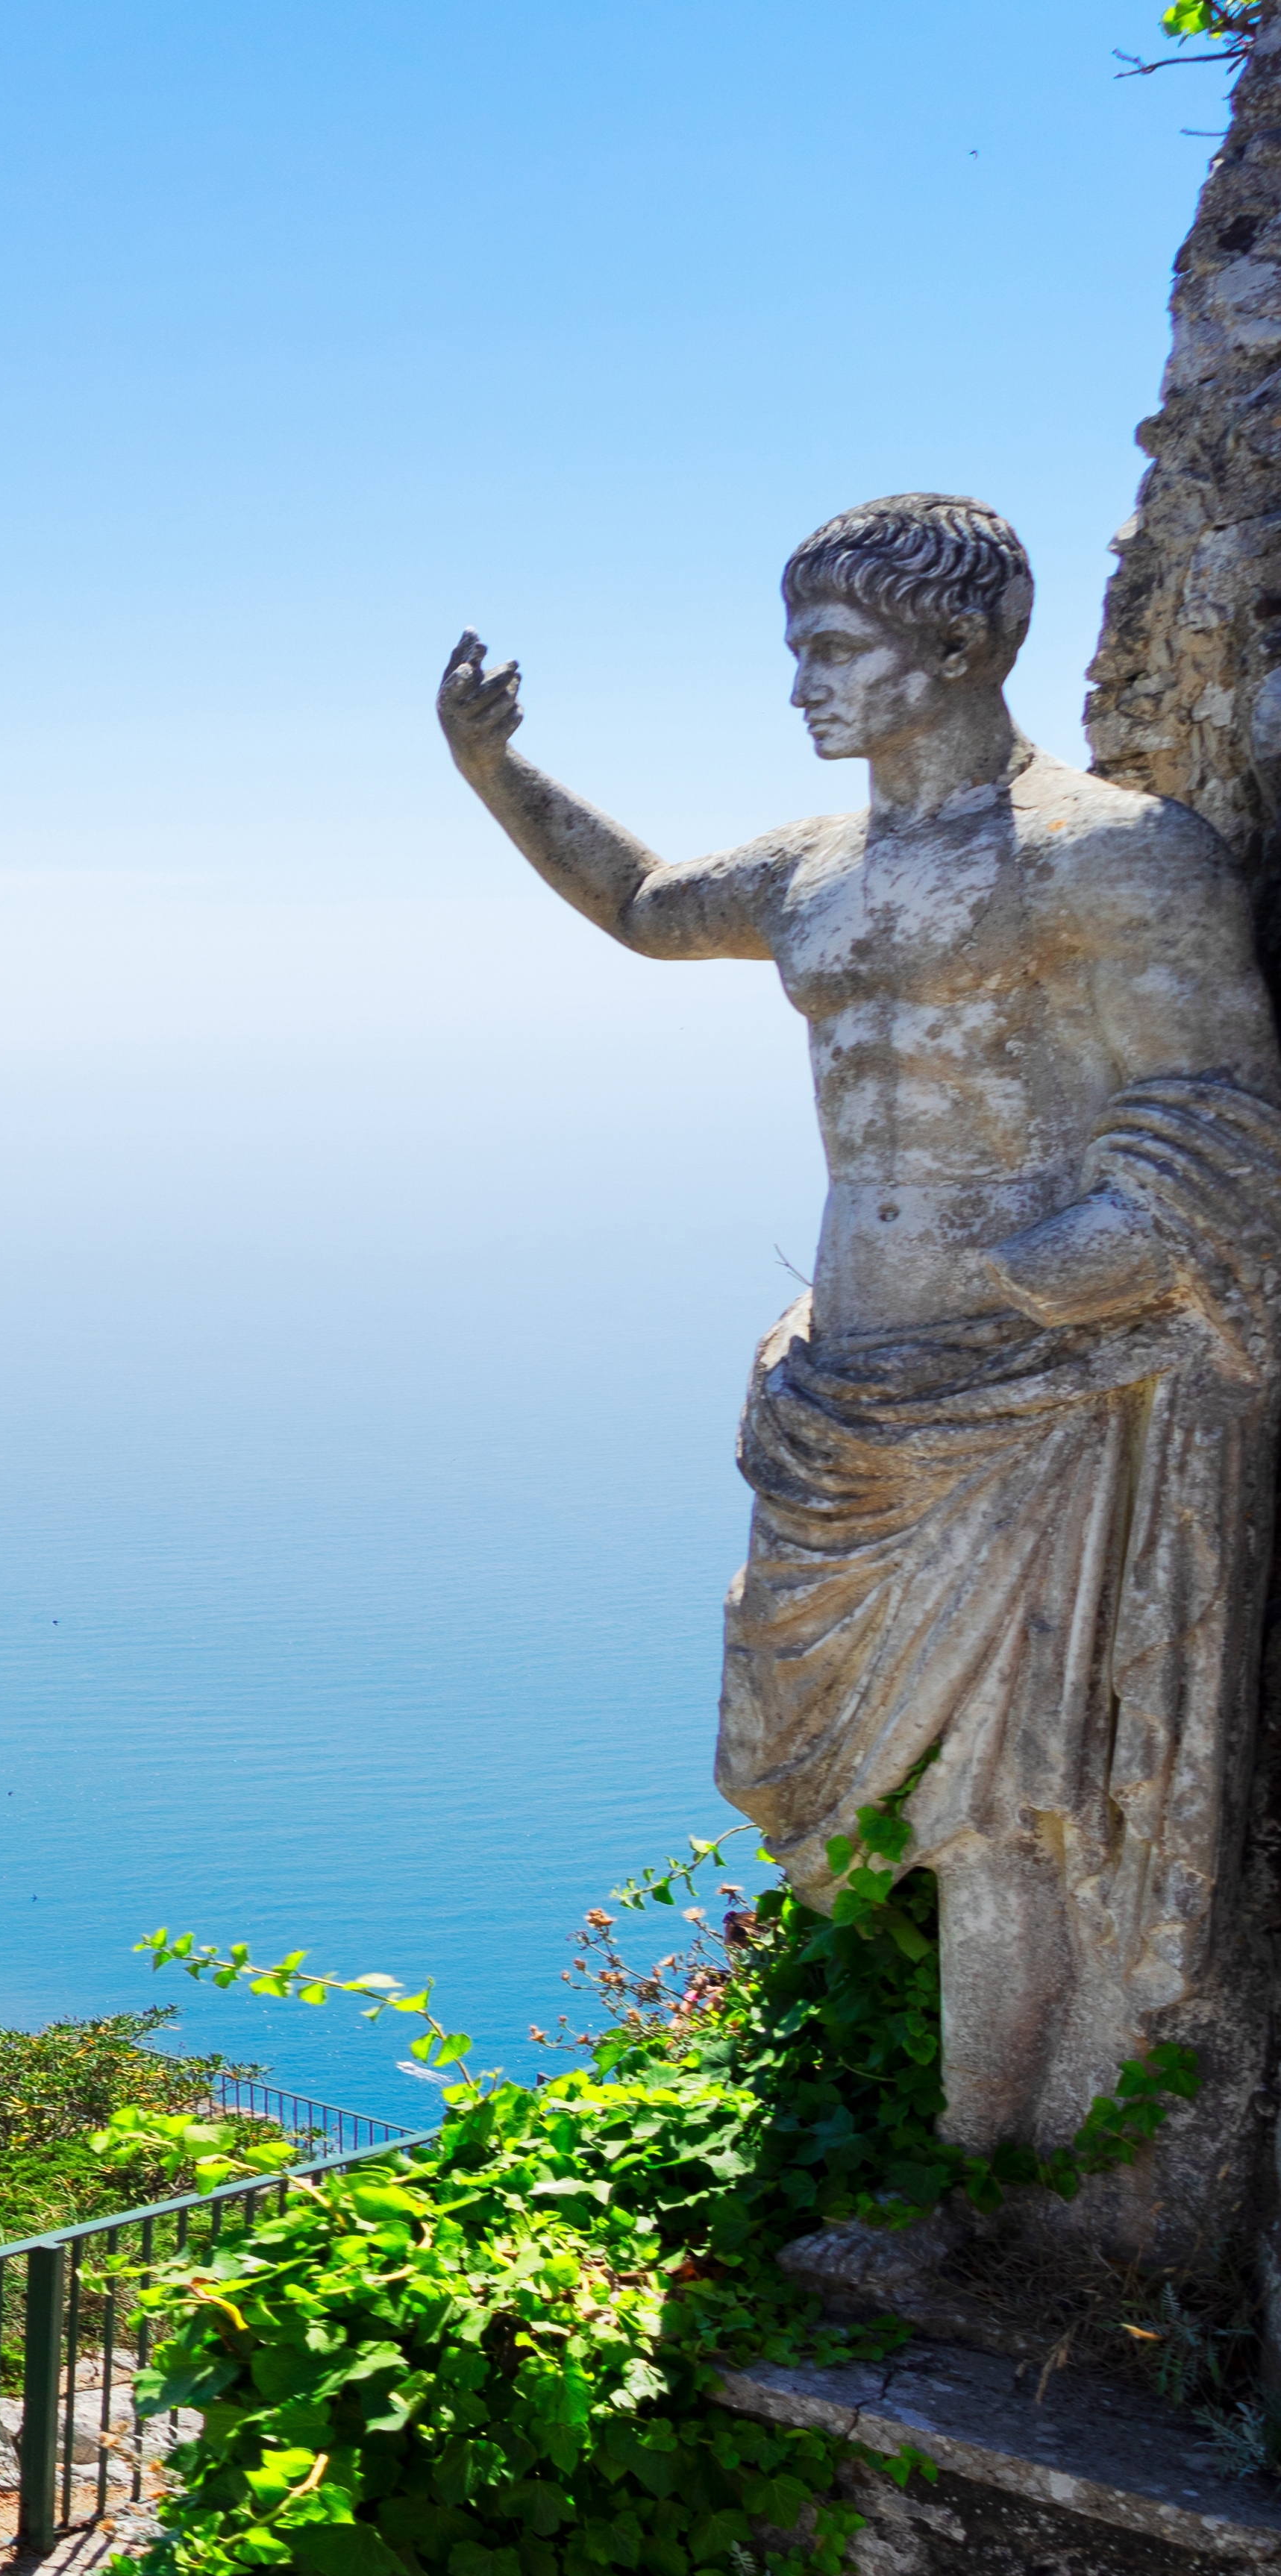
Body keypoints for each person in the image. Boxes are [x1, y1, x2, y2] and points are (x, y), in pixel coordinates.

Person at [439, 494, 1281, 2222]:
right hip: (850, 1396)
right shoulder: (816, 866)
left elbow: (1214, 1120)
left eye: (831, 649)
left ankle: (1015, 2193)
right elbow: (645, 904)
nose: (799, 686)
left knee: (1014, 1801)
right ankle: (951, 2171)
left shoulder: (1109, 855)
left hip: (1030, 1390)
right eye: (796, 649)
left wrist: (1051, 1274)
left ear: (955, 648)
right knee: (831, 1770)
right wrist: (492, 770)